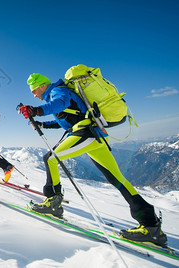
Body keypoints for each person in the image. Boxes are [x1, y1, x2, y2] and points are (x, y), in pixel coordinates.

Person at [18, 72, 167, 247]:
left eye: (34, 90)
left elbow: (60, 104)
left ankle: (53, 202)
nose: (34, 94)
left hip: (86, 133)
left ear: (42, 85)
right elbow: (65, 119)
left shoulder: (58, 91)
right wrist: (43, 124)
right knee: (117, 178)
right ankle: (151, 226)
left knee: (50, 158)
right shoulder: (58, 94)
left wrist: (37, 111)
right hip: (94, 135)